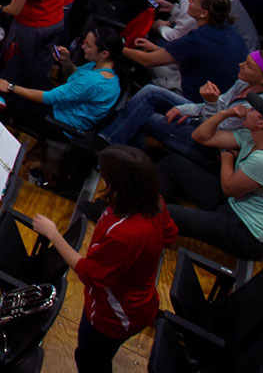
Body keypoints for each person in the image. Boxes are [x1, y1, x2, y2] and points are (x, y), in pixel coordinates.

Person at [31, 147, 177, 373]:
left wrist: (54, 235)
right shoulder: (153, 202)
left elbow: (90, 274)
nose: (102, 181)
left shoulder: (126, 234)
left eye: (106, 176)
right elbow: (169, 234)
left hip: (113, 315)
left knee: (90, 361)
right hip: (138, 300)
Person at [156, 98, 263, 260]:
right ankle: (142, 203)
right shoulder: (252, 137)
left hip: (248, 232)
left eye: (253, 110)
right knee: (175, 164)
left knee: (168, 214)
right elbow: (200, 136)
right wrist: (225, 113)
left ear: (261, 124)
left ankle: (138, 218)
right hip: (234, 204)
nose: (247, 109)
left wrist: (226, 155)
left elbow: (229, 187)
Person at [102, 48, 263, 164]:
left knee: (144, 118)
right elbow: (219, 105)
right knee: (151, 92)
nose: (241, 65)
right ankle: (109, 140)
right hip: (206, 119)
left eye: (249, 65)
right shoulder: (245, 83)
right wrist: (185, 109)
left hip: (209, 145)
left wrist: (208, 105)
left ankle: (125, 160)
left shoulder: (260, 110)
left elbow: (212, 128)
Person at [0, 28, 122, 134]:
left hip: (60, 122)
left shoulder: (93, 81)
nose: (82, 47)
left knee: (7, 98)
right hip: (62, 104)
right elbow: (74, 75)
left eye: (88, 45)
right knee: (24, 61)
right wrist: (66, 61)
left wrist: (10, 87)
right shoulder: (102, 67)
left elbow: (49, 97)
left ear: (104, 53)